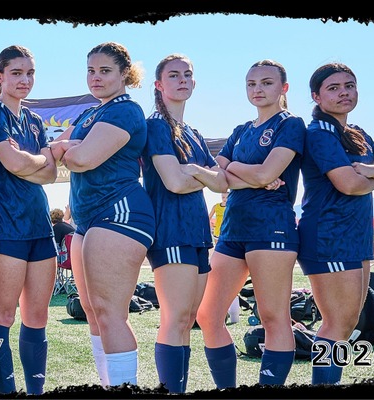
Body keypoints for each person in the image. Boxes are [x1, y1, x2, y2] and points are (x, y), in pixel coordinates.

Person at [195, 59, 305, 388]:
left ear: (283, 88)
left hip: (271, 228)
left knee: (273, 316)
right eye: (251, 84)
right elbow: (217, 174)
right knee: (207, 315)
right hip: (233, 229)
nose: (258, 89)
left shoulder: (290, 124)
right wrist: (254, 176)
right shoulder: (242, 130)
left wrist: (244, 172)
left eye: (266, 83)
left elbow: (263, 173)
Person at [49, 42, 152, 387]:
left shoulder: (126, 110)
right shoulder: (89, 114)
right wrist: (69, 147)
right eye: (91, 71)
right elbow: (52, 150)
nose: (96, 77)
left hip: (119, 213)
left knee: (110, 313)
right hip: (87, 221)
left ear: (125, 74)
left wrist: (69, 148)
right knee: (92, 312)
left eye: (105, 71)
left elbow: (81, 159)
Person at [300, 63, 374, 385]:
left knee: (347, 324)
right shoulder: (319, 133)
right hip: (328, 236)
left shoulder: (357, 132)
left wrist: (371, 171)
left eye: (349, 85)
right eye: (333, 88)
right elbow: (349, 185)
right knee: (336, 324)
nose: (344, 92)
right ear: (317, 96)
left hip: (356, 236)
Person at [141, 54, 227, 393]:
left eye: (187, 75)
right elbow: (174, 183)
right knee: (175, 318)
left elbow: (222, 183)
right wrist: (200, 176)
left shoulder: (194, 133)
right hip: (170, 231)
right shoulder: (156, 126)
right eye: (174, 75)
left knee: (188, 318)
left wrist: (192, 169)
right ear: (159, 85)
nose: (182, 80)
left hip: (197, 233)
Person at [0, 45, 59, 395]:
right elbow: (13, 164)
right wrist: (40, 158)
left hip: (40, 226)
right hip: (6, 227)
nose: (24, 80)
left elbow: (50, 174)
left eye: (30, 73)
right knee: (3, 317)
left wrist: (33, 161)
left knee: (37, 317)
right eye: (16, 73)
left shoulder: (35, 120)